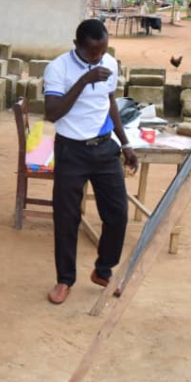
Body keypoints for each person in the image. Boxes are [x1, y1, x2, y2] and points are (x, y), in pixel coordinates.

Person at [43, 19, 138, 305]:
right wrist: (84, 80)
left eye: (103, 51)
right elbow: (52, 113)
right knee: (66, 218)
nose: (99, 58)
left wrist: (126, 143)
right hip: (71, 150)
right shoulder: (58, 68)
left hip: (105, 148)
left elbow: (110, 104)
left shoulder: (110, 63)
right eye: (92, 53)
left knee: (118, 214)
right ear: (77, 46)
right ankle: (64, 280)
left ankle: (103, 270)